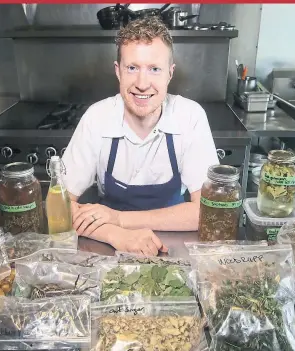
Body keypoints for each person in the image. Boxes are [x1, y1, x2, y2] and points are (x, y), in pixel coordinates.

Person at [62, 16, 219, 256]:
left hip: (174, 247)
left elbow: (208, 212)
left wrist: (120, 219)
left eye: (154, 69)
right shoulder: (97, 118)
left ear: (170, 73)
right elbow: (58, 207)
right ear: (118, 72)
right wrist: (116, 234)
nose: (142, 84)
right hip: (109, 249)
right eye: (132, 68)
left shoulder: (190, 117)